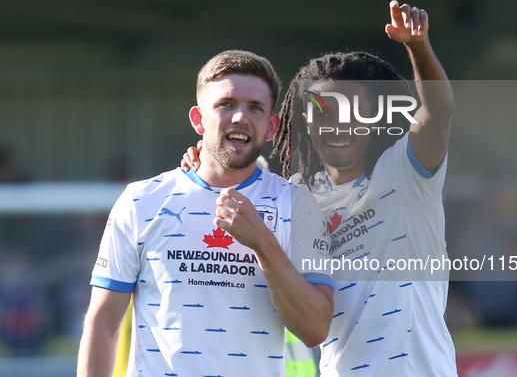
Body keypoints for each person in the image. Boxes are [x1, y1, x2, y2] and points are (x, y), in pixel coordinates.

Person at [183, 0, 457, 376]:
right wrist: (200, 162)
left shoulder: (405, 173)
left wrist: (418, 46)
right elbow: (240, 174)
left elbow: (438, 113)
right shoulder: (297, 195)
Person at [78, 50, 334, 377]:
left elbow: (315, 331)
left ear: (271, 127)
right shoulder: (141, 200)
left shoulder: (297, 205)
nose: (241, 117)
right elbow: (104, 321)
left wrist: (263, 244)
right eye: (226, 104)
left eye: (255, 108)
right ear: (198, 119)